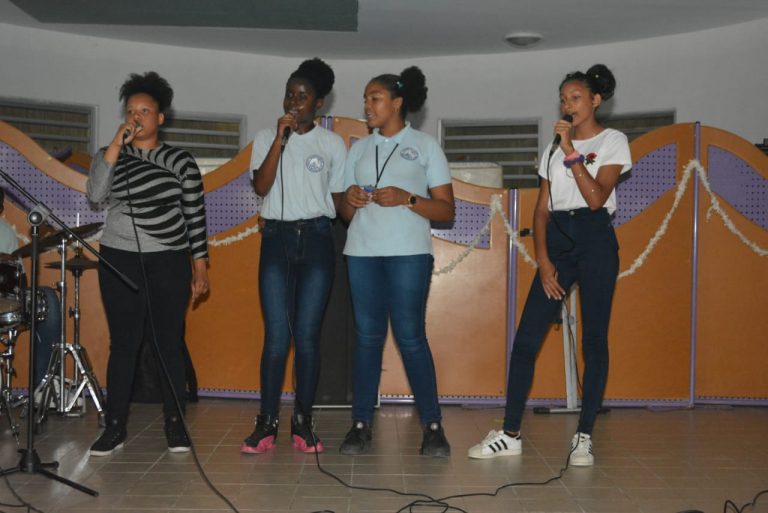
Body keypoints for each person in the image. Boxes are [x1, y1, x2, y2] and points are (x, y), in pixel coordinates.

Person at [468, 64, 631, 466]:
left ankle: (584, 436)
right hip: (556, 240)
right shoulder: (552, 149)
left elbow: (596, 198)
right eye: (563, 99)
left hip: (595, 238)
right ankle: (509, 434)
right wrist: (542, 260)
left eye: (575, 97)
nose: (567, 105)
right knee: (526, 339)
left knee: (594, 341)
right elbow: (541, 210)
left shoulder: (613, 140)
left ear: (595, 100)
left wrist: (572, 152)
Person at [86, 71, 209, 456]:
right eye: (130, 111)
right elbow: (95, 194)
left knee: (168, 341)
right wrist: (114, 146)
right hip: (119, 258)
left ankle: (175, 423)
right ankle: (114, 426)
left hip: (169, 259)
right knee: (124, 343)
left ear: (160, 118)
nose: (136, 117)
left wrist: (200, 265)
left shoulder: (181, 160)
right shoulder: (110, 155)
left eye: (144, 111)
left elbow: (195, 214)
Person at [338, 66, 455, 457]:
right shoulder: (357, 148)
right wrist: (349, 199)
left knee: (410, 337)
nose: (367, 105)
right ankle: (360, 425)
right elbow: (344, 212)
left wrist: (408, 198)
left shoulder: (425, 146)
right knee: (367, 339)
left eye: (375, 98)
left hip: (409, 255)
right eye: (365, 99)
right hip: (361, 253)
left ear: (397, 102)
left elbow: (446, 210)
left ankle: (433, 426)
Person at [240, 58, 346, 454]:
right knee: (276, 338)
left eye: (303, 97)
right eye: (289, 94)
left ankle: (302, 422)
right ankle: (266, 422)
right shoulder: (267, 137)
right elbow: (262, 186)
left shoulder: (332, 144)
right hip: (276, 239)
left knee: (307, 338)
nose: (293, 102)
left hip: (317, 239)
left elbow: (339, 202)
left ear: (318, 104)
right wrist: (280, 142)